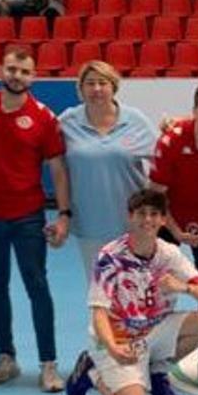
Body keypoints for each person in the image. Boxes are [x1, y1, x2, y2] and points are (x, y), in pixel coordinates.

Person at [0, 46, 70, 390]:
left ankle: (49, 364)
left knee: (37, 285)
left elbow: (58, 169)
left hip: (27, 216)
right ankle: (7, 358)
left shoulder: (43, 117)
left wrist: (63, 215)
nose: (16, 76)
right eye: (11, 69)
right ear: (0, 70)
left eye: (24, 71)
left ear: (33, 77)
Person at [63, 189, 198, 395]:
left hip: (152, 331)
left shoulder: (169, 254)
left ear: (163, 220)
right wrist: (113, 349)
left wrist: (182, 287)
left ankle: (157, 372)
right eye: (141, 213)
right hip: (118, 338)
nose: (148, 220)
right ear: (130, 216)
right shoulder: (110, 257)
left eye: (154, 214)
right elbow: (99, 314)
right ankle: (93, 372)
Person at [147, 81, 198, 388]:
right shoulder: (172, 140)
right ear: (195, 110)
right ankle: (148, 348)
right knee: (155, 283)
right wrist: (175, 231)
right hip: (169, 217)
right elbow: (155, 195)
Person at [58, 61, 158, 280]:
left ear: (113, 87)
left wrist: (153, 205)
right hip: (89, 223)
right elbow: (51, 161)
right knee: (101, 292)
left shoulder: (135, 120)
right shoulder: (67, 122)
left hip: (133, 223)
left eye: (102, 83)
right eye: (90, 83)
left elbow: (162, 159)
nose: (96, 89)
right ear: (81, 89)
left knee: (137, 289)